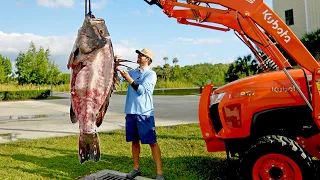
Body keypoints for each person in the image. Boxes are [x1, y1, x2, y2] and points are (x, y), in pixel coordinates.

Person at [116, 48, 164, 180]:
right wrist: (115, 63)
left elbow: (142, 91)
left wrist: (129, 80)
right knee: (134, 141)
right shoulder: (132, 72)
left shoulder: (151, 74)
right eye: (138, 54)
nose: (138, 56)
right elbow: (117, 75)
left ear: (148, 59)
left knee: (152, 142)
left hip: (145, 114)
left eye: (141, 55)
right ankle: (136, 168)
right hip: (131, 112)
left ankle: (159, 172)